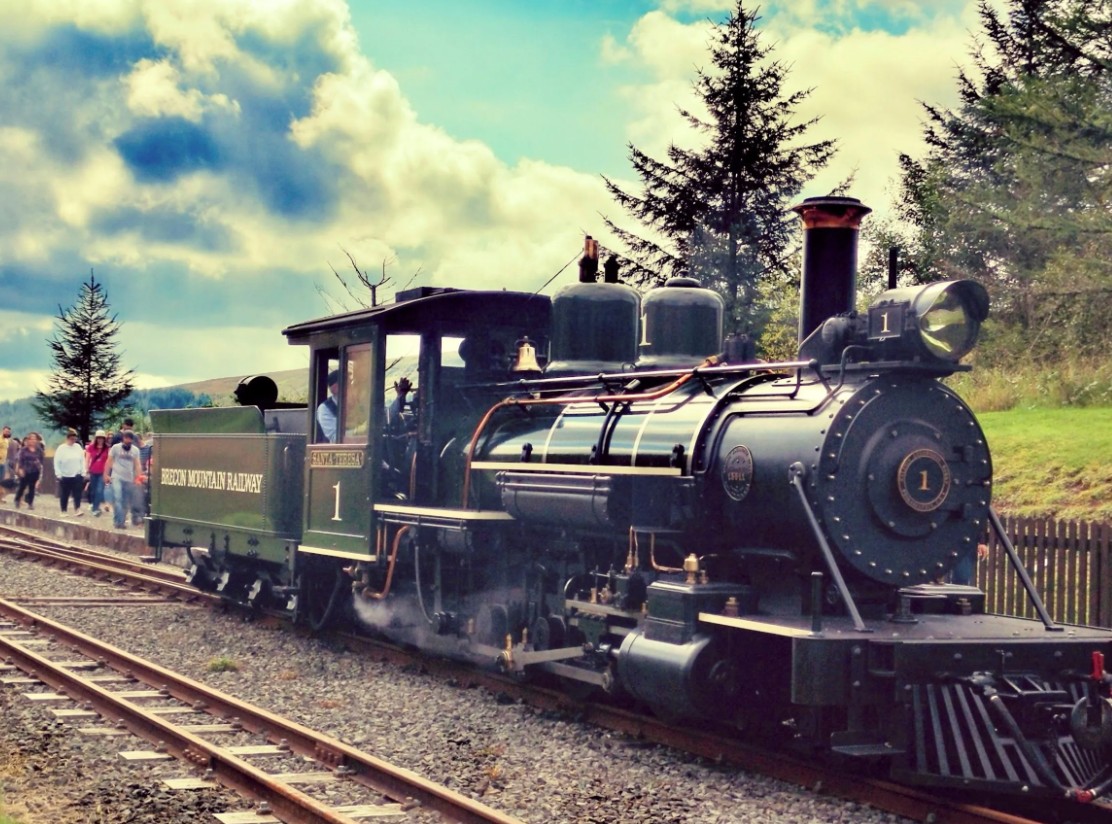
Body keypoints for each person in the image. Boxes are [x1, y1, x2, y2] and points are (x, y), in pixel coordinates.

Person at [104, 430, 141, 530]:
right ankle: (118, 521)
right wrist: (106, 474)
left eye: (130, 439)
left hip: (129, 478)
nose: (128, 441)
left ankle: (121, 521)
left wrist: (138, 477)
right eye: (126, 438)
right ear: (123, 439)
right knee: (118, 498)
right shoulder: (115, 448)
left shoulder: (135, 451)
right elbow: (109, 461)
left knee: (125, 502)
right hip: (116, 477)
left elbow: (137, 464)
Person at [53, 428, 86, 516]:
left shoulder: (78, 447)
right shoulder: (61, 448)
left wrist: (83, 472)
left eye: (75, 439)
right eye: (72, 439)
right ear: (68, 438)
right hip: (65, 475)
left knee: (77, 493)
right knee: (65, 493)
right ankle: (63, 510)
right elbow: (57, 461)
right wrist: (58, 474)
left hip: (77, 474)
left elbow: (82, 460)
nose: (73, 441)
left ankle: (77, 509)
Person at [13, 432, 44, 510]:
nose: (33, 441)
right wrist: (20, 469)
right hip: (25, 470)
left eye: (35, 439)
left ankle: (30, 503)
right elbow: (20, 460)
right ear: (28, 440)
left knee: (32, 487)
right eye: (31, 439)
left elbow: (41, 460)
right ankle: (17, 500)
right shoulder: (24, 450)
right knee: (22, 486)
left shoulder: (39, 450)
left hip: (35, 470)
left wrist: (39, 469)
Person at [85, 430, 110, 516]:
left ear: (104, 439)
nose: (100, 440)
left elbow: (109, 460)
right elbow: (87, 458)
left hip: (102, 472)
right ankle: (94, 505)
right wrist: (86, 469)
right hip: (93, 471)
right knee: (93, 490)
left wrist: (108, 472)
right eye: (98, 438)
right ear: (96, 438)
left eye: (101, 438)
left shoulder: (107, 448)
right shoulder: (91, 447)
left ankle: (95, 508)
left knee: (100, 490)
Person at [316, 369, 341, 442]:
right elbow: (335, 438)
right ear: (335, 388)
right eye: (349, 383)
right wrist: (357, 431)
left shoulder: (358, 404)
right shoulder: (324, 409)